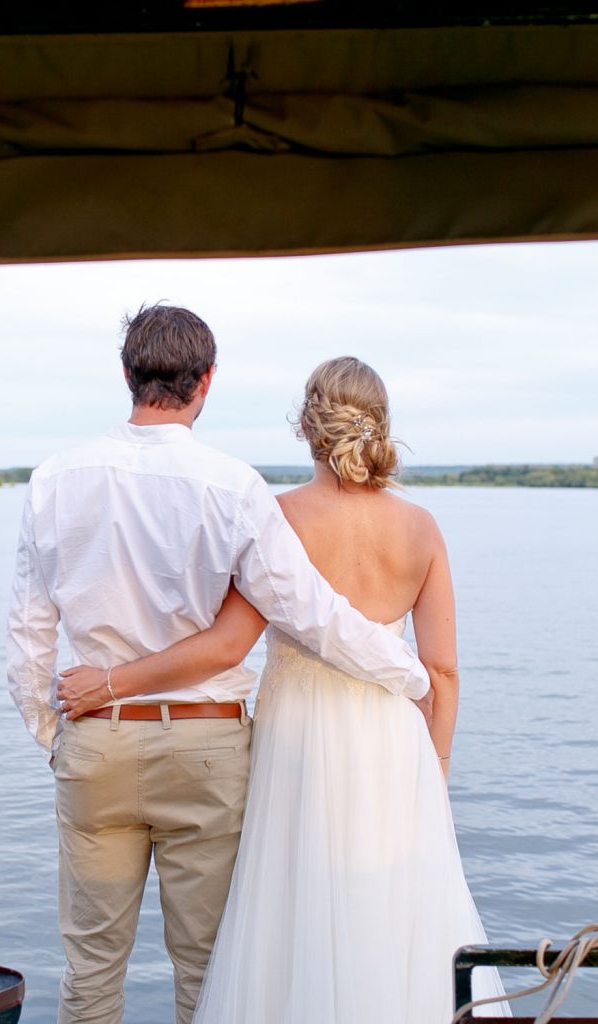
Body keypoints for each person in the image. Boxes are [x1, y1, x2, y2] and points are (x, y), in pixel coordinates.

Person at [6, 306, 431, 1024]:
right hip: (205, 749)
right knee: (208, 972)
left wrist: (54, 734)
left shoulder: (54, 479)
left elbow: (27, 635)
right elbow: (311, 612)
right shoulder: (235, 487)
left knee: (89, 975)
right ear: (206, 381)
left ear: (126, 375)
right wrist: (409, 673)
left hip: (97, 740)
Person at [59, 356, 509, 1022]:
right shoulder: (421, 529)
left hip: (297, 737)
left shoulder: (278, 517)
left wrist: (109, 682)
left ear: (306, 425)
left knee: (291, 907)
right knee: (391, 907)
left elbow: (226, 644)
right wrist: (435, 766)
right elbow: (441, 671)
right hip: (393, 741)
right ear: (379, 426)